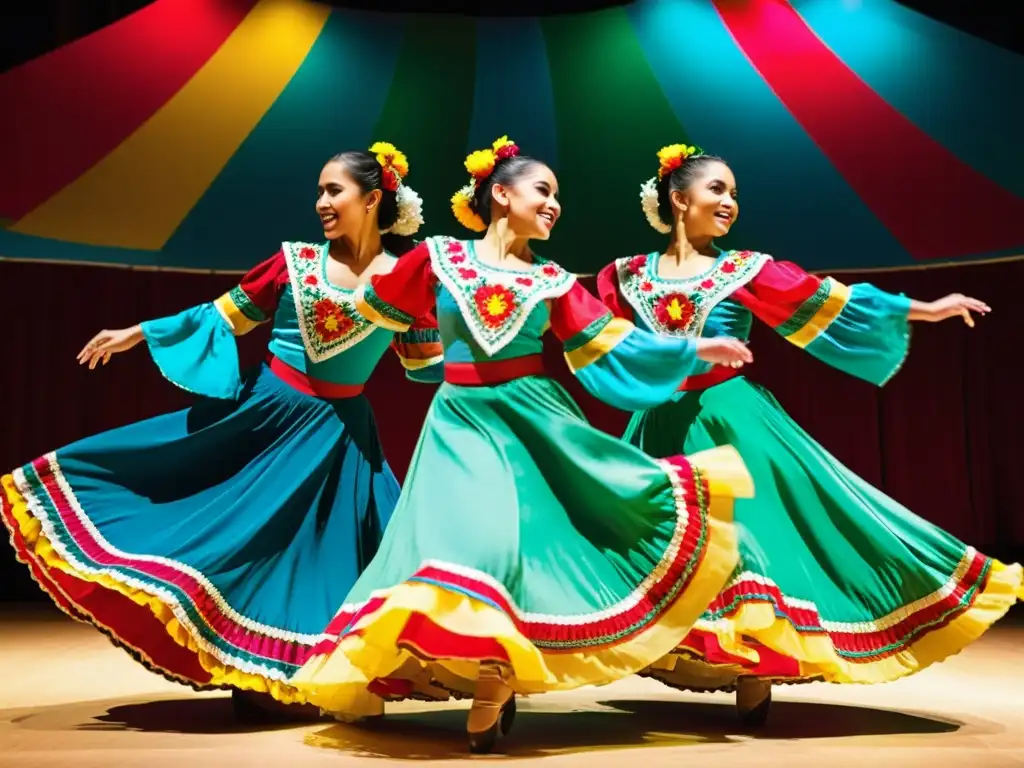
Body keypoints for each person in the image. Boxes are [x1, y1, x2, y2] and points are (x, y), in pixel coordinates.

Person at [291, 136, 756, 753]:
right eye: (544, 191)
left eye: (557, 196)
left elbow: (615, 340)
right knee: (471, 546)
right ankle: (482, 672)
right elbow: (375, 311)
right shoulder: (439, 258)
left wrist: (695, 348)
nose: (555, 204)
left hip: (536, 425)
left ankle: (494, 677)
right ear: (502, 194)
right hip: (458, 423)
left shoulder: (555, 282)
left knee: (516, 552)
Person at [0, 142, 443, 720]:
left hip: (342, 438)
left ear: (373, 197)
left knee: (322, 556)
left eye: (333, 190)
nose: (321, 202)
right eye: (319, 191)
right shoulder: (296, 264)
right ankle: (252, 669)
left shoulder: (408, 278)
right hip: (267, 420)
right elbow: (221, 317)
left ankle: (306, 670)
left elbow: (424, 364)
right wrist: (137, 331)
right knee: (244, 537)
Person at [596, 143, 1024, 726]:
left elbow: (828, 301)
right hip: (659, 424)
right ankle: (692, 651)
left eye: (735, 194)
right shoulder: (623, 276)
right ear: (678, 198)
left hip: (730, 420)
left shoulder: (744, 268)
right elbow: (599, 336)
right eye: (718, 190)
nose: (730, 203)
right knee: (667, 543)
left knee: (745, 538)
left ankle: (755, 662)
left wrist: (927, 308)